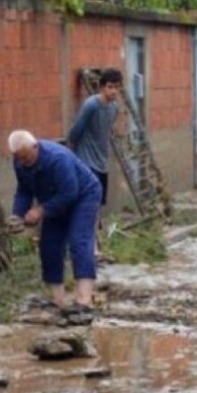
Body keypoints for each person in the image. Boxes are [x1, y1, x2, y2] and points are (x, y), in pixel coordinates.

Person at [8, 130, 102, 318]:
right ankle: (58, 299)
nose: (24, 162)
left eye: (26, 157)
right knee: (49, 245)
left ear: (35, 147)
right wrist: (17, 215)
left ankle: (84, 299)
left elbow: (70, 193)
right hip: (53, 199)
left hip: (83, 196)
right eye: (19, 158)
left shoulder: (57, 159)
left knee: (79, 241)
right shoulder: (20, 162)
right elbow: (24, 190)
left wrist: (40, 210)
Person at [68, 68, 123, 254]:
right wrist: (72, 157)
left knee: (97, 205)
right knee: (90, 204)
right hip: (86, 162)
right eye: (109, 87)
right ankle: (92, 248)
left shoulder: (114, 107)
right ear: (101, 87)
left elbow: (108, 130)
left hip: (102, 162)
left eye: (116, 87)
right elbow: (75, 132)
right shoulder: (91, 105)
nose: (113, 91)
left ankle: (94, 244)